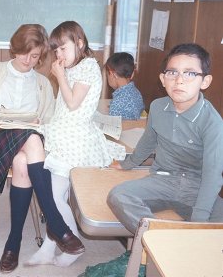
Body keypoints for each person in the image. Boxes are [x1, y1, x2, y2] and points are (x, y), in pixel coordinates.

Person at [0, 24, 84, 274]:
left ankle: (14, 242)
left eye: (35, 56)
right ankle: (54, 221)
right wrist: (4, 118)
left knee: (23, 159)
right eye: (24, 53)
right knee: (31, 139)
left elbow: (50, 119)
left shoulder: (42, 83)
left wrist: (37, 124)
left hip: (26, 147)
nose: (29, 60)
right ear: (15, 49)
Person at [26, 21, 125, 267]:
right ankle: (51, 249)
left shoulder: (89, 67)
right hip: (64, 136)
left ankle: (72, 244)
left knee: (53, 196)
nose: (58, 55)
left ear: (79, 43)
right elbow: (64, 109)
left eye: (63, 48)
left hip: (76, 142)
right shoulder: (74, 67)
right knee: (54, 195)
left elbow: (73, 103)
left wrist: (60, 76)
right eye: (56, 50)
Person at [107, 43, 223, 234]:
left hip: (197, 186)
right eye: (172, 73)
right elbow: (148, 140)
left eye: (190, 73)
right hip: (162, 180)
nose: (179, 81)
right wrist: (128, 163)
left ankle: (164, 240)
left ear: (205, 81)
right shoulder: (157, 107)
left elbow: (212, 176)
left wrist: (199, 221)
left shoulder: (213, 122)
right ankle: (159, 239)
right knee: (118, 195)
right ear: (163, 79)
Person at [105, 52, 145, 119]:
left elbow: (113, 127)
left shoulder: (117, 104)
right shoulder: (136, 92)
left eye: (107, 75)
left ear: (113, 75)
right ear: (132, 74)